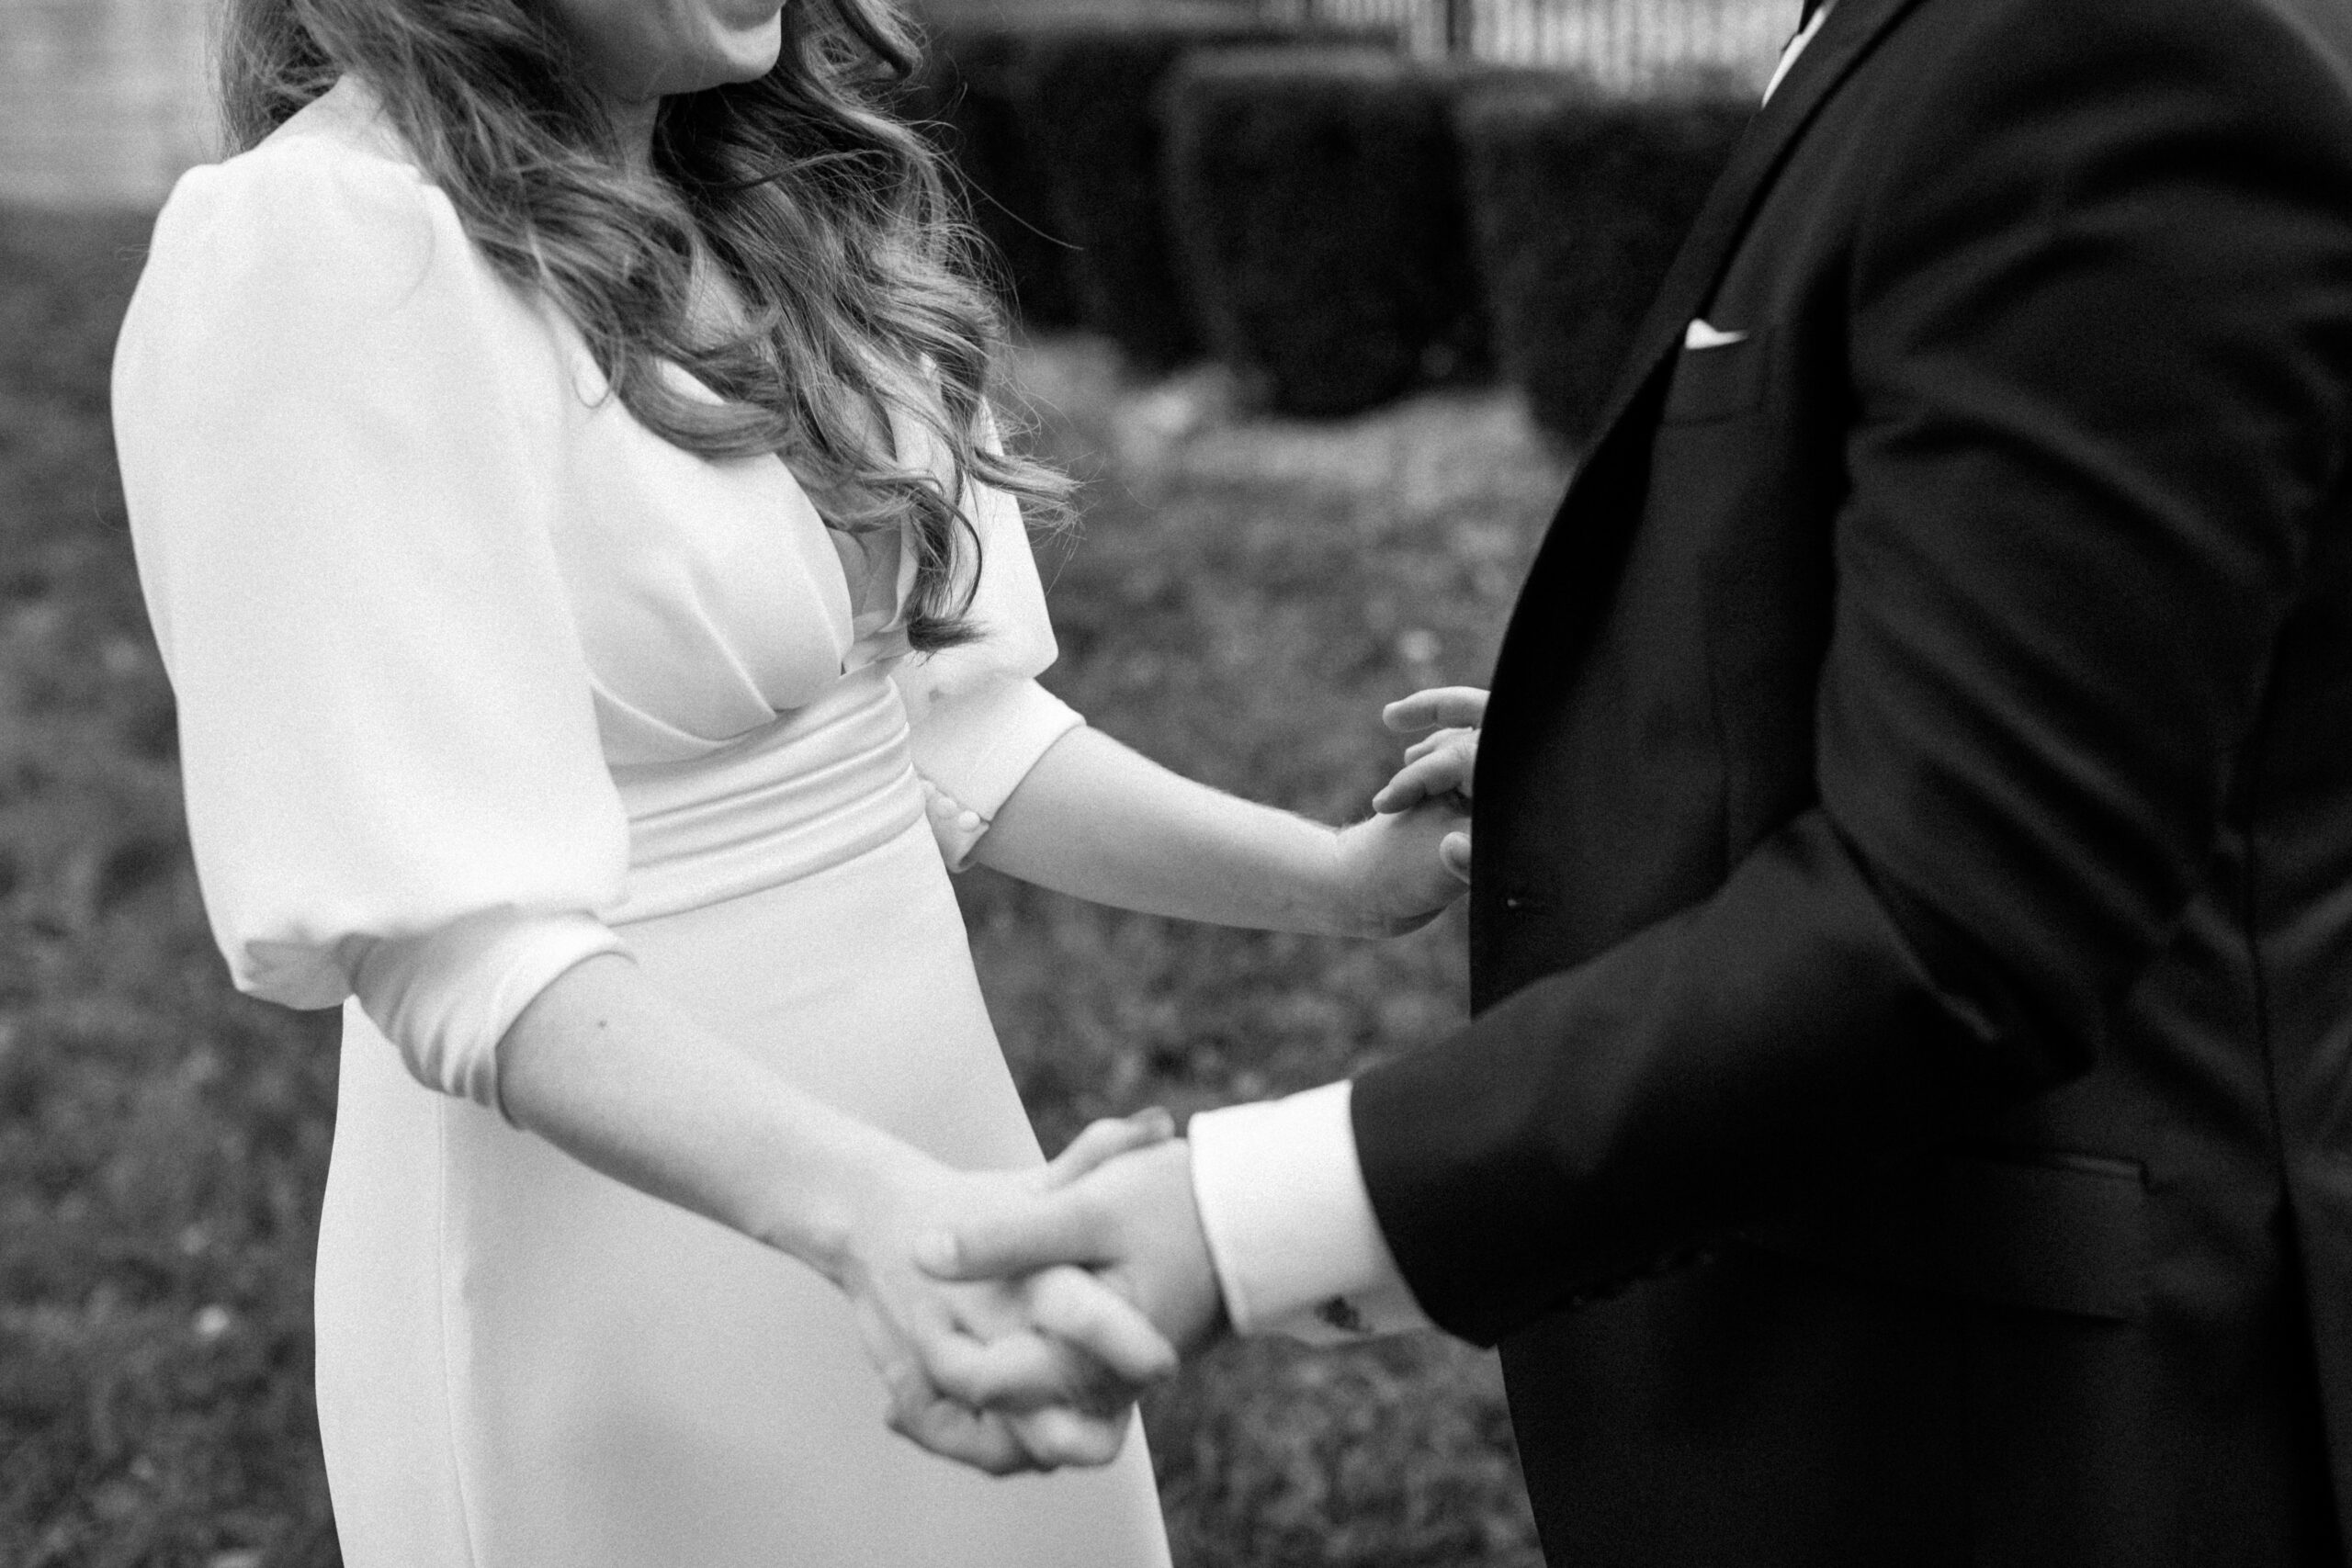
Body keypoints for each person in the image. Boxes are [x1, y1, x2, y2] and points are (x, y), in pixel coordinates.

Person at [926, 0, 2352, 1561]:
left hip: (2053, 1433)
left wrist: (1240, 1220)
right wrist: (1615, 761)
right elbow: (2043, 645)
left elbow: (1954, 918)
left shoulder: (2100, 55)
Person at [106, 0, 1470, 1562]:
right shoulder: (324, 251)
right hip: (624, 1265)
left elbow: (943, 734)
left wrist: (1341, 885)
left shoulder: (781, 191)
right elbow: (452, 948)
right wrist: (866, 1216)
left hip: (940, 1164)